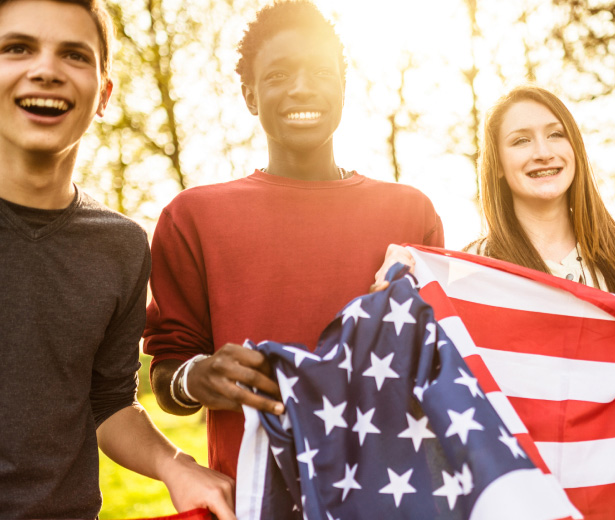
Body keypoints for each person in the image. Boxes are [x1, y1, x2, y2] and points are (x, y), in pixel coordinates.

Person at [143, 0, 444, 490]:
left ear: (344, 89)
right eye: (279, 75)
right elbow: (168, 375)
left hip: (389, 493)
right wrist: (197, 377)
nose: (302, 88)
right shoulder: (192, 217)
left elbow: (439, 362)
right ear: (249, 95)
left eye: (321, 73)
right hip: (257, 495)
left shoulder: (410, 212)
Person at [0, 0, 235, 517]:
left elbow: (109, 402)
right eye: (17, 48)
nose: (46, 69)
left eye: (74, 55)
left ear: (103, 94)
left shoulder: (122, 246)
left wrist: (177, 463)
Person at [373, 84, 615, 365]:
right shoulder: (472, 268)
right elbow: (441, 371)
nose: (543, 152)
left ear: (575, 149)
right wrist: (398, 288)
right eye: (521, 141)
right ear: (497, 165)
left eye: (555, 134)